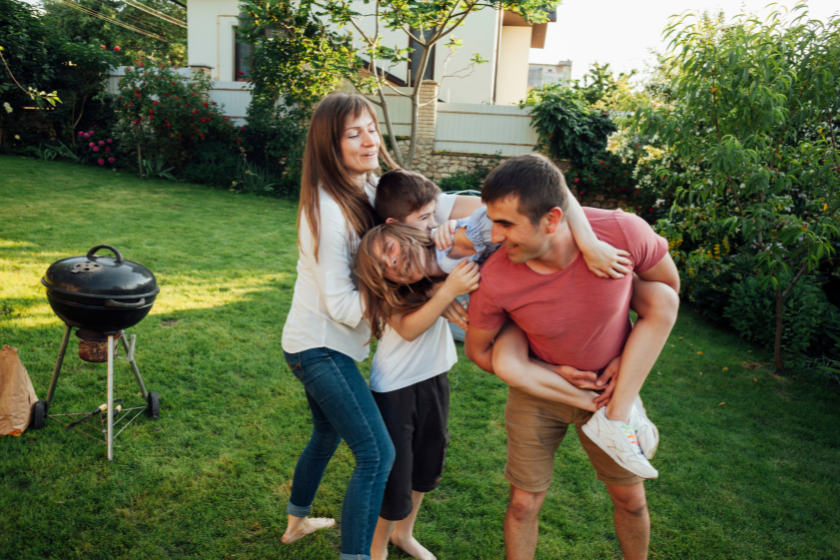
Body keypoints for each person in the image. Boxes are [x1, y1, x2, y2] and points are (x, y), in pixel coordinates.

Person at [358, 169, 630, 560]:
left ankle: (405, 535)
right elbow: (410, 326)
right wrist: (444, 292)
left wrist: (589, 244)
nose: (394, 262)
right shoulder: (404, 287)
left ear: (407, 232)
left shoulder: (459, 237)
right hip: (396, 386)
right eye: (385, 263)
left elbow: (551, 193)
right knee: (396, 473)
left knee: (427, 464)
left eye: (394, 249)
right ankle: (376, 549)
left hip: (436, 374)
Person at [464, 153, 680, 560]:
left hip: (610, 391)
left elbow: (666, 291)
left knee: (631, 500)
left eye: (506, 224)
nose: (494, 236)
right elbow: (478, 351)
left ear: (552, 219)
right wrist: (547, 370)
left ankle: (621, 418)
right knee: (523, 503)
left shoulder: (623, 231)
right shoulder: (496, 276)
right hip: (537, 393)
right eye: (492, 221)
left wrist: (627, 358)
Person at [279, 92, 398, 560]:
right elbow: (344, 307)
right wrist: (402, 299)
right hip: (319, 347)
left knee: (327, 434)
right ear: (331, 145)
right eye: (354, 134)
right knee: (377, 454)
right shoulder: (327, 212)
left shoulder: (369, 189)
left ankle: (297, 523)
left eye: (371, 128)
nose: (369, 140)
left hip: (323, 344)